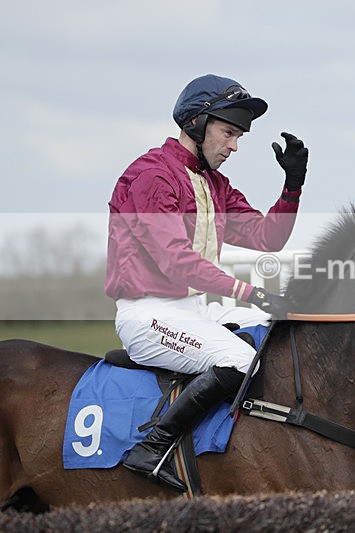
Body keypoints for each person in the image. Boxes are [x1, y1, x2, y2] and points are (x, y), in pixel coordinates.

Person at [105, 74, 308, 491]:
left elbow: (266, 237)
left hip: (193, 310)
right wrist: (247, 291)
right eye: (229, 133)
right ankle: (154, 446)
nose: (234, 146)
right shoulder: (152, 177)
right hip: (148, 315)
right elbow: (177, 261)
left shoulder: (213, 184)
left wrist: (292, 186)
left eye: (238, 137)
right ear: (196, 123)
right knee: (239, 361)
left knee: (272, 337)